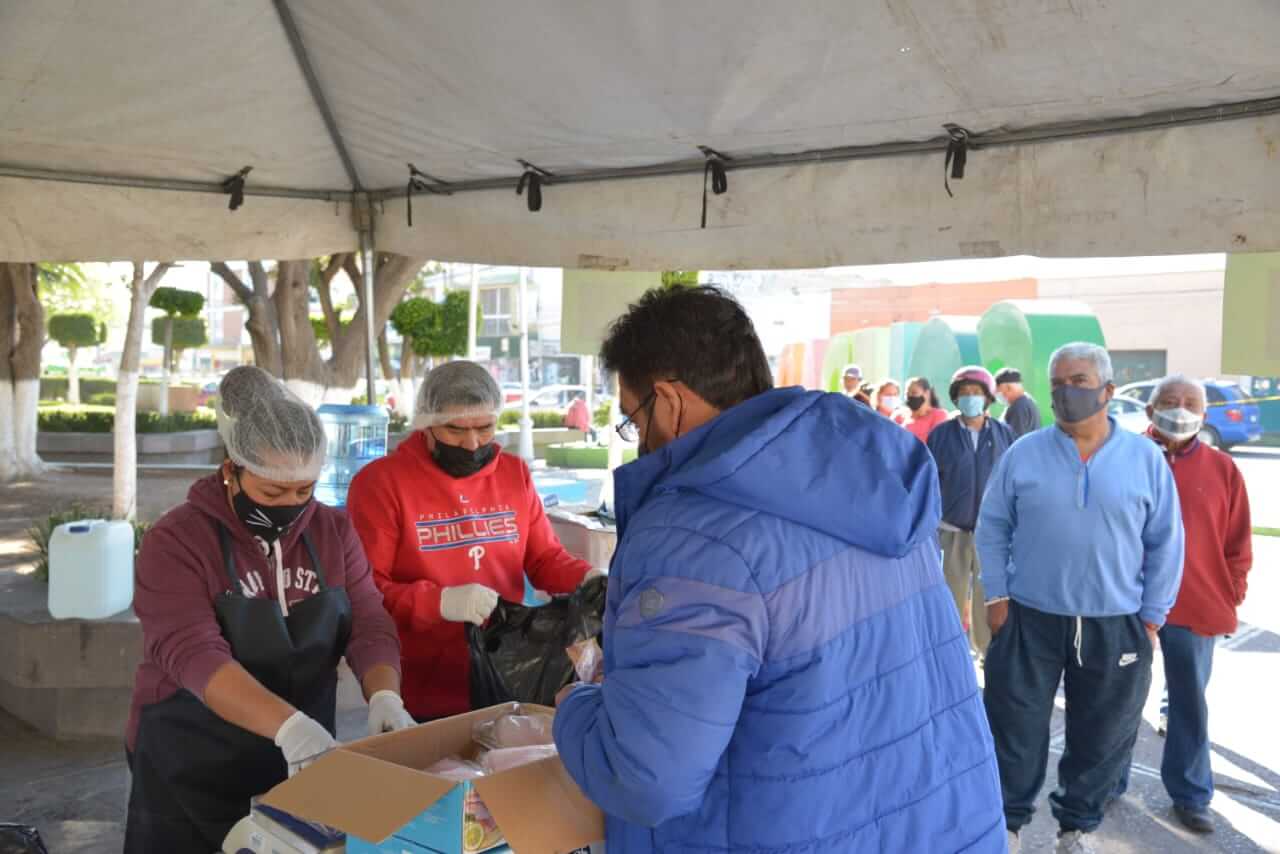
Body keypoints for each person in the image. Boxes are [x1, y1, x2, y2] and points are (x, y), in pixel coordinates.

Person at [553, 286, 1005, 853]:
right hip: (944, 825)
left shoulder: (690, 532)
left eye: (632, 419)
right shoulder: (872, 473)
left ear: (668, 401)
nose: (638, 440)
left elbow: (646, 778)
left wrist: (576, 707)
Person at [123, 367, 410, 853]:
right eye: (272, 492)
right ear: (231, 470)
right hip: (190, 757)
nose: (291, 506)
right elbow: (194, 654)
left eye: (304, 491)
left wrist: (385, 695)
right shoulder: (176, 541)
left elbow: (368, 621)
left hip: (301, 756)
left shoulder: (333, 533)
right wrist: (290, 727)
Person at [976, 343, 1185, 854]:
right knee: (1014, 726)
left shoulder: (1144, 459)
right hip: (1029, 618)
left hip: (1116, 623)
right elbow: (993, 526)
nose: (1067, 392)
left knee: (1101, 734)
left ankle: (1076, 828)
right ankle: (1008, 826)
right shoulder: (1024, 453)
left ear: (1108, 391)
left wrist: (1153, 616)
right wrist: (996, 596)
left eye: (1080, 381)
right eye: (1058, 384)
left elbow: (1166, 540)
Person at [345, 361, 598, 721]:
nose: (472, 443)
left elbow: (543, 558)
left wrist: (588, 579)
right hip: (420, 682)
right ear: (426, 423)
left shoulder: (514, 474)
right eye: (455, 429)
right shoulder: (381, 484)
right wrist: (439, 602)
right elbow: (366, 592)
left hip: (507, 671)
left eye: (485, 428)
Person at [1113, 375, 1253, 834]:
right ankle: (1105, 783)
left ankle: (1191, 795)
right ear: (1150, 411)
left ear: (1205, 414)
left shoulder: (1222, 469)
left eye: (1190, 402)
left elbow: (1238, 541)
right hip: (1125, 605)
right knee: (1115, 700)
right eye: (1169, 401)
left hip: (1197, 604)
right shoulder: (1122, 456)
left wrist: (1231, 590)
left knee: (1189, 704)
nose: (1179, 409)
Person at [927, 366, 1015, 660]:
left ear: (988, 397)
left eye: (976, 393)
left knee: (988, 600)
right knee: (949, 597)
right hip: (951, 532)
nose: (970, 399)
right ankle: (948, 657)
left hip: (992, 536)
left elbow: (1013, 483)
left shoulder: (1004, 435)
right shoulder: (941, 435)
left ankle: (989, 656)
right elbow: (929, 482)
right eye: (964, 394)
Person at [994, 368, 1042, 439]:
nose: (998, 395)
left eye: (999, 392)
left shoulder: (1019, 407)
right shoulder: (1024, 401)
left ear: (1008, 388)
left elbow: (1015, 441)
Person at [904, 375, 949, 442]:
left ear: (927, 393)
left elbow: (936, 442)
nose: (910, 396)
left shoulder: (938, 415)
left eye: (914, 393)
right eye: (907, 394)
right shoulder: (899, 415)